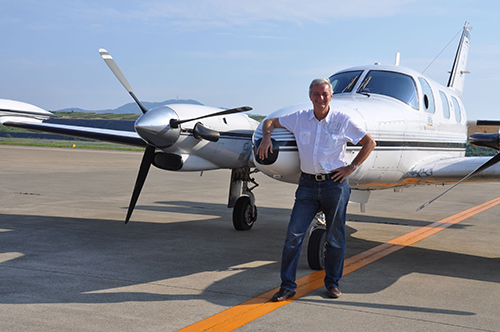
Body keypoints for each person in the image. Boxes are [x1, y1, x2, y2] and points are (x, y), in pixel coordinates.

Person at [256, 78, 376, 301]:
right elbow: (270, 121)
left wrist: (351, 167)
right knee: (293, 235)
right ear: (310, 96)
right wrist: (266, 138)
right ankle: (287, 286)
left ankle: (332, 283)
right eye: (316, 94)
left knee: (336, 238)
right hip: (308, 186)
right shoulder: (300, 118)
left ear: (331, 96)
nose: (320, 98)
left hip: (335, 185)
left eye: (324, 94)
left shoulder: (342, 120)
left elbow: (369, 143)